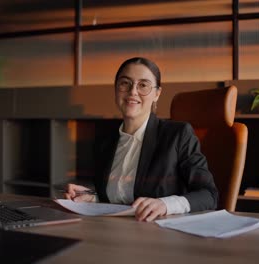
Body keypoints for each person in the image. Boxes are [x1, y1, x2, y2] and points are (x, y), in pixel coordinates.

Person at [64, 57, 218, 222]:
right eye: (125, 83)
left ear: (157, 94)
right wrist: (92, 198)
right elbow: (123, 199)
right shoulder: (105, 141)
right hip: (113, 232)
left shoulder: (178, 135)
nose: (133, 92)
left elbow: (208, 194)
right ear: (116, 89)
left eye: (143, 85)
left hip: (160, 236)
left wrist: (165, 205)